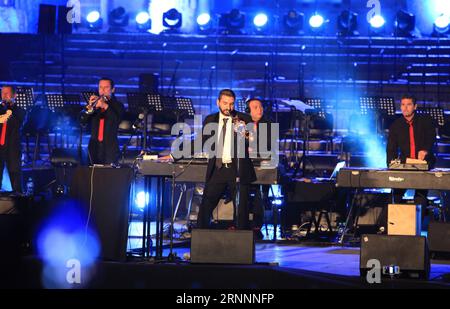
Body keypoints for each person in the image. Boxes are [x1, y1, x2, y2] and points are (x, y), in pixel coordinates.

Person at [196, 89, 256, 230]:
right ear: (218, 102)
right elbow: (199, 142)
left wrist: (243, 131)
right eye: (225, 103)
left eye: (231, 104)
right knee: (206, 207)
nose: (228, 107)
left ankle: (241, 247)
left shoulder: (243, 118)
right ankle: (200, 242)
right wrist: (175, 154)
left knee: (241, 211)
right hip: (218, 169)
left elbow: (252, 140)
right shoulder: (210, 120)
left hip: (238, 170)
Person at [387, 94, 436, 216]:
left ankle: (418, 224)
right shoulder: (396, 125)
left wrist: (425, 150)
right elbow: (391, 148)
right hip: (405, 164)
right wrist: (391, 164)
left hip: (423, 164)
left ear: (415, 106)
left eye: (408, 105)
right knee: (396, 194)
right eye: (403, 105)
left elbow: (431, 139)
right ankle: (397, 225)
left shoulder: (425, 121)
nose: (405, 108)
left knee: (420, 196)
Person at [246, 98, 275, 239]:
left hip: (262, 166)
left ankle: (257, 226)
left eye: (261, 107)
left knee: (259, 191)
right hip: (244, 165)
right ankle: (237, 223)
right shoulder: (241, 124)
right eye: (256, 107)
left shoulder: (268, 125)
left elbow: (269, 147)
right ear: (248, 110)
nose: (260, 109)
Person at [80, 78, 124, 165]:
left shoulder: (118, 105)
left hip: (110, 146)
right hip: (94, 146)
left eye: (106, 87)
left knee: (108, 174)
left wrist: (105, 106)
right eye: (100, 87)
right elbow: (82, 121)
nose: (102, 90)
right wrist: (89, 108)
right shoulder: (94, 104)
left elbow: (116, 120)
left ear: (113, 89)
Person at [0, 85, 25, 193]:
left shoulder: (19, 111)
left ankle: (18, 199)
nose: (4, 95)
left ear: (14, 95)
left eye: (7, 93)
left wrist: (9, 109)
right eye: (2, 93)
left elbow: (17, 121)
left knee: (14, 172)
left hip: (12, 146)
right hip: (0, 146)